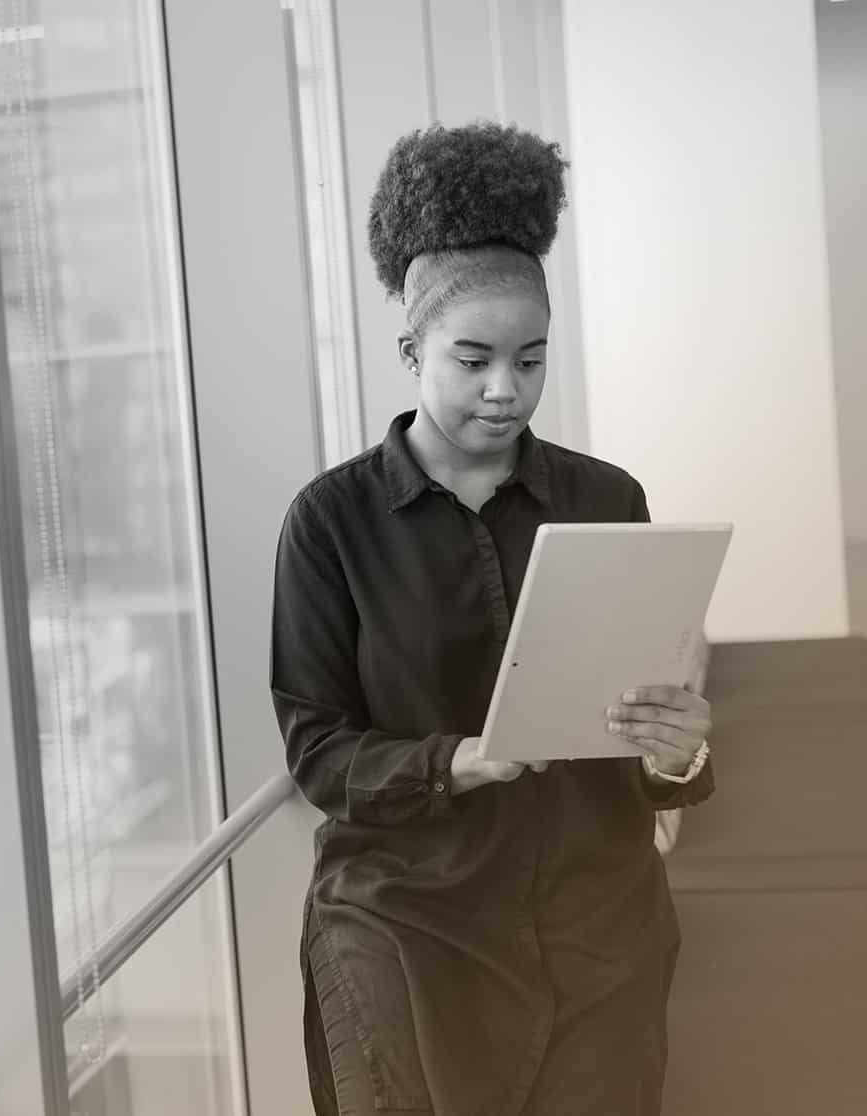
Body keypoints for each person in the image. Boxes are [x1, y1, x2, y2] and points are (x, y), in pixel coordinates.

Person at [270, 122, 715, 1116]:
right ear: (409, 348)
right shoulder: (330, 523)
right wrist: (456, 760)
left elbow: (647, 716)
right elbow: (320, 755)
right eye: (472, 359)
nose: (504, 389)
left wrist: (676, 752)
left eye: (530, 359)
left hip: (597, 913)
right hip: (401, 918)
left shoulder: (609, 497)